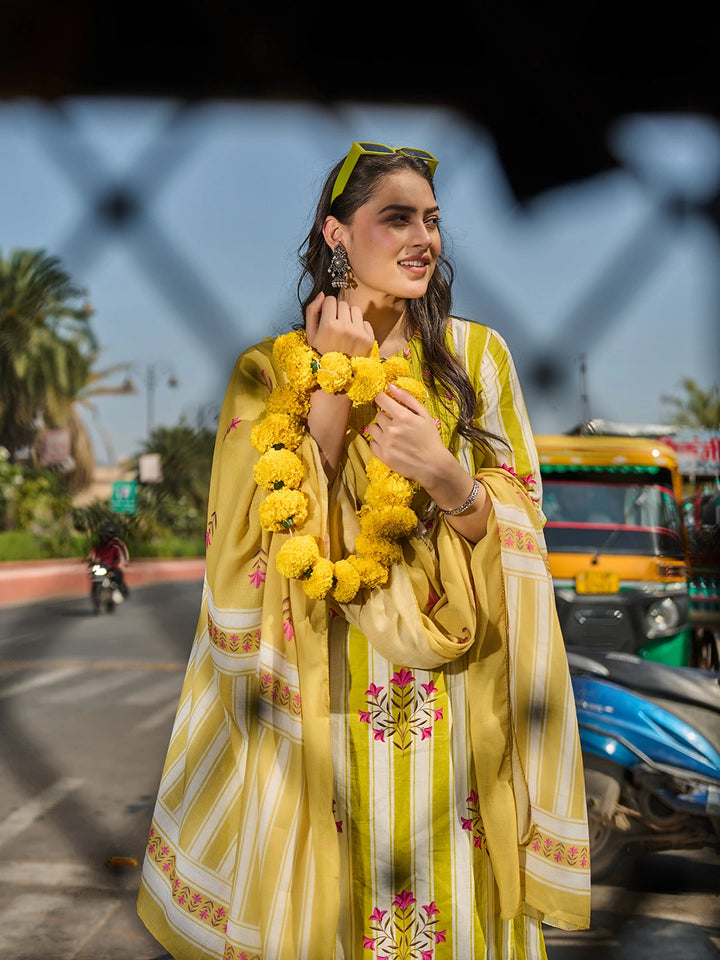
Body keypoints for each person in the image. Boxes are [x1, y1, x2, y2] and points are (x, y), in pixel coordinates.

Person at [138, 142, 590, 960]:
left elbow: (524, 533)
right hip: (320, 699)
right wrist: (330, 404)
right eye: (398, 218)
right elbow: (253, 542)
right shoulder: (268, 373)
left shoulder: (477, 361)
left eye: (434, 221)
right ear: (337, 235)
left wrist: (449, 477)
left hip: (455, 705)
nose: (425, 239)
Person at [86, 523, 129, 597]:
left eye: (106, 535)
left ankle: (119, 590)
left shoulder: (116, 545)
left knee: (117, 576)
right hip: (101, 566)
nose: (104, 537)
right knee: (93, 575)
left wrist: (117, 565)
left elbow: (121, 558)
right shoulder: (98, 545)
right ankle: (94, 592)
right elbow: (91, 555)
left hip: (112, 567)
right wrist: (90, 562)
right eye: (103, 535)